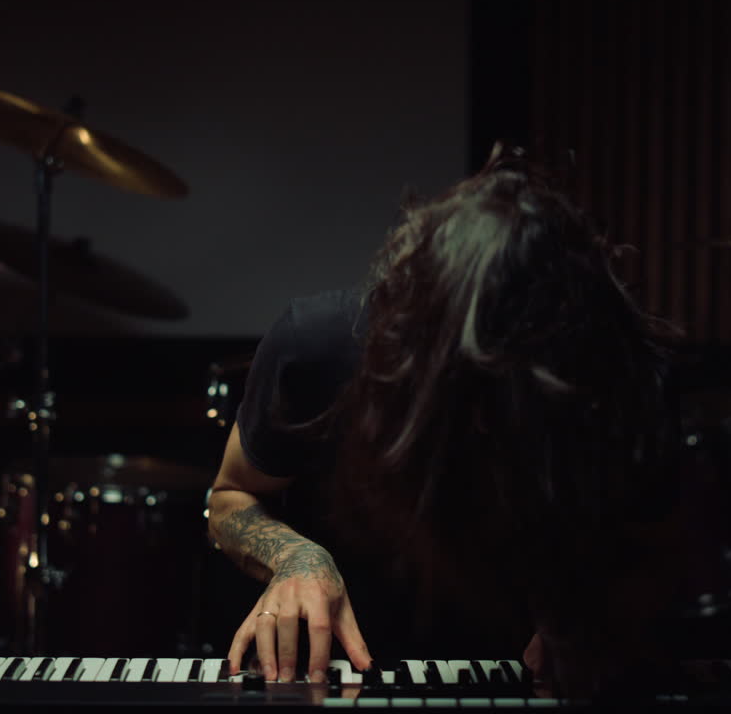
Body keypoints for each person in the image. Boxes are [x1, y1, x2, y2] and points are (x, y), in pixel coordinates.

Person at [206, 143, 682, 697]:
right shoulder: (319, 348)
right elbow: (230, 497)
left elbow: (655, 546)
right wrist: (295, 557)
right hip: (343, 675)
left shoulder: (628, 376)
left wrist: (594, 613)